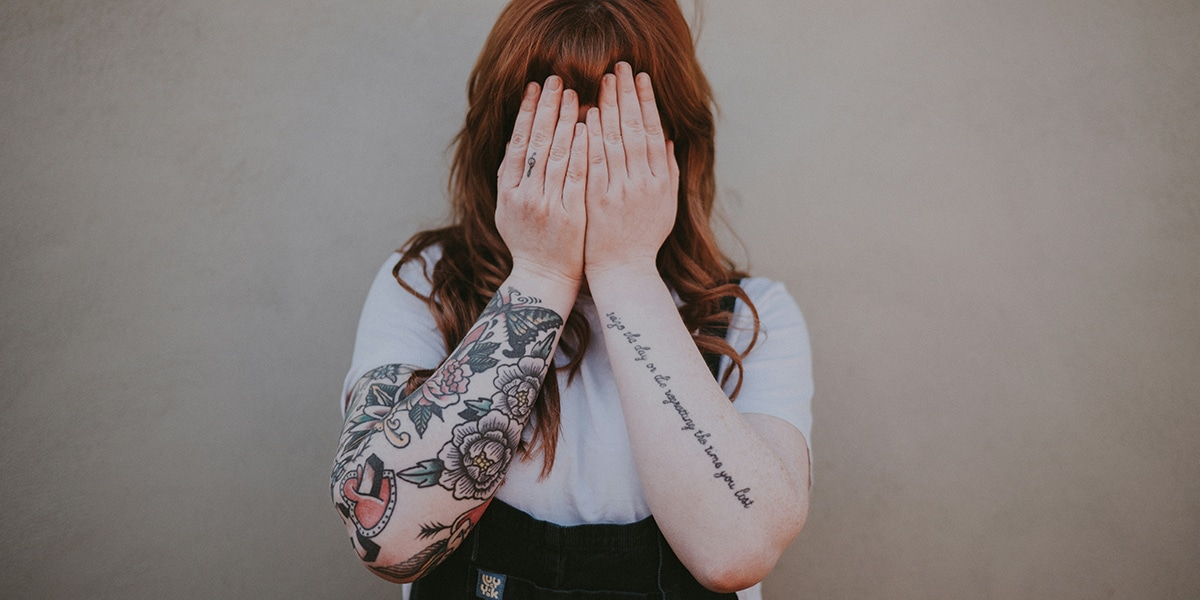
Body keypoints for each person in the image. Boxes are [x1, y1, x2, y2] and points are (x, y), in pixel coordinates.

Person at [331, 1, 812, 598]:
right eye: (551, 132)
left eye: (613, 137)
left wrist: (627, 270)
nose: (578, 165)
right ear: (503, 142)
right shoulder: (426, 284)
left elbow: (736, 553)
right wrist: (539, 272)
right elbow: (386, 538)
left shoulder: (751, 319)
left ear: (675, 148)